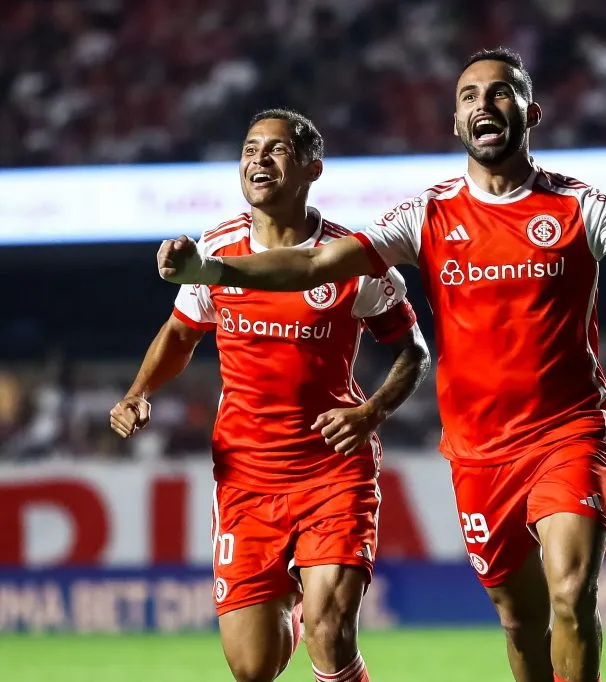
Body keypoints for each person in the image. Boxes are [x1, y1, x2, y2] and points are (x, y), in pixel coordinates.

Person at [155, 49, 606, 682]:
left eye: (500, 91)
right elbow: (311, 264)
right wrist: (213, 270)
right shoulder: (427, 214)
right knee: (521, 620)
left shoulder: (576, 206)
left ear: (532, 113)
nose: (484, 104)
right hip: (479, 454)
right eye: (469, 95)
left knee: (572, 592)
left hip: (567, 433)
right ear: (456, 122)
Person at [111, 109, 430, 682]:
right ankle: (290, 597)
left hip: (332, 470)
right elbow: (181, 333)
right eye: (250, 149)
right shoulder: (217, 251)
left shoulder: (355, 260)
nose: (258, 159)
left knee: (330, 634)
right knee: (253, 667)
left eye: (276, 150)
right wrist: (138, 392)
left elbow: (413, 351)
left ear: (312, 169)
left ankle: (316, 607)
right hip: (246, 478)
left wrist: (371, 411)